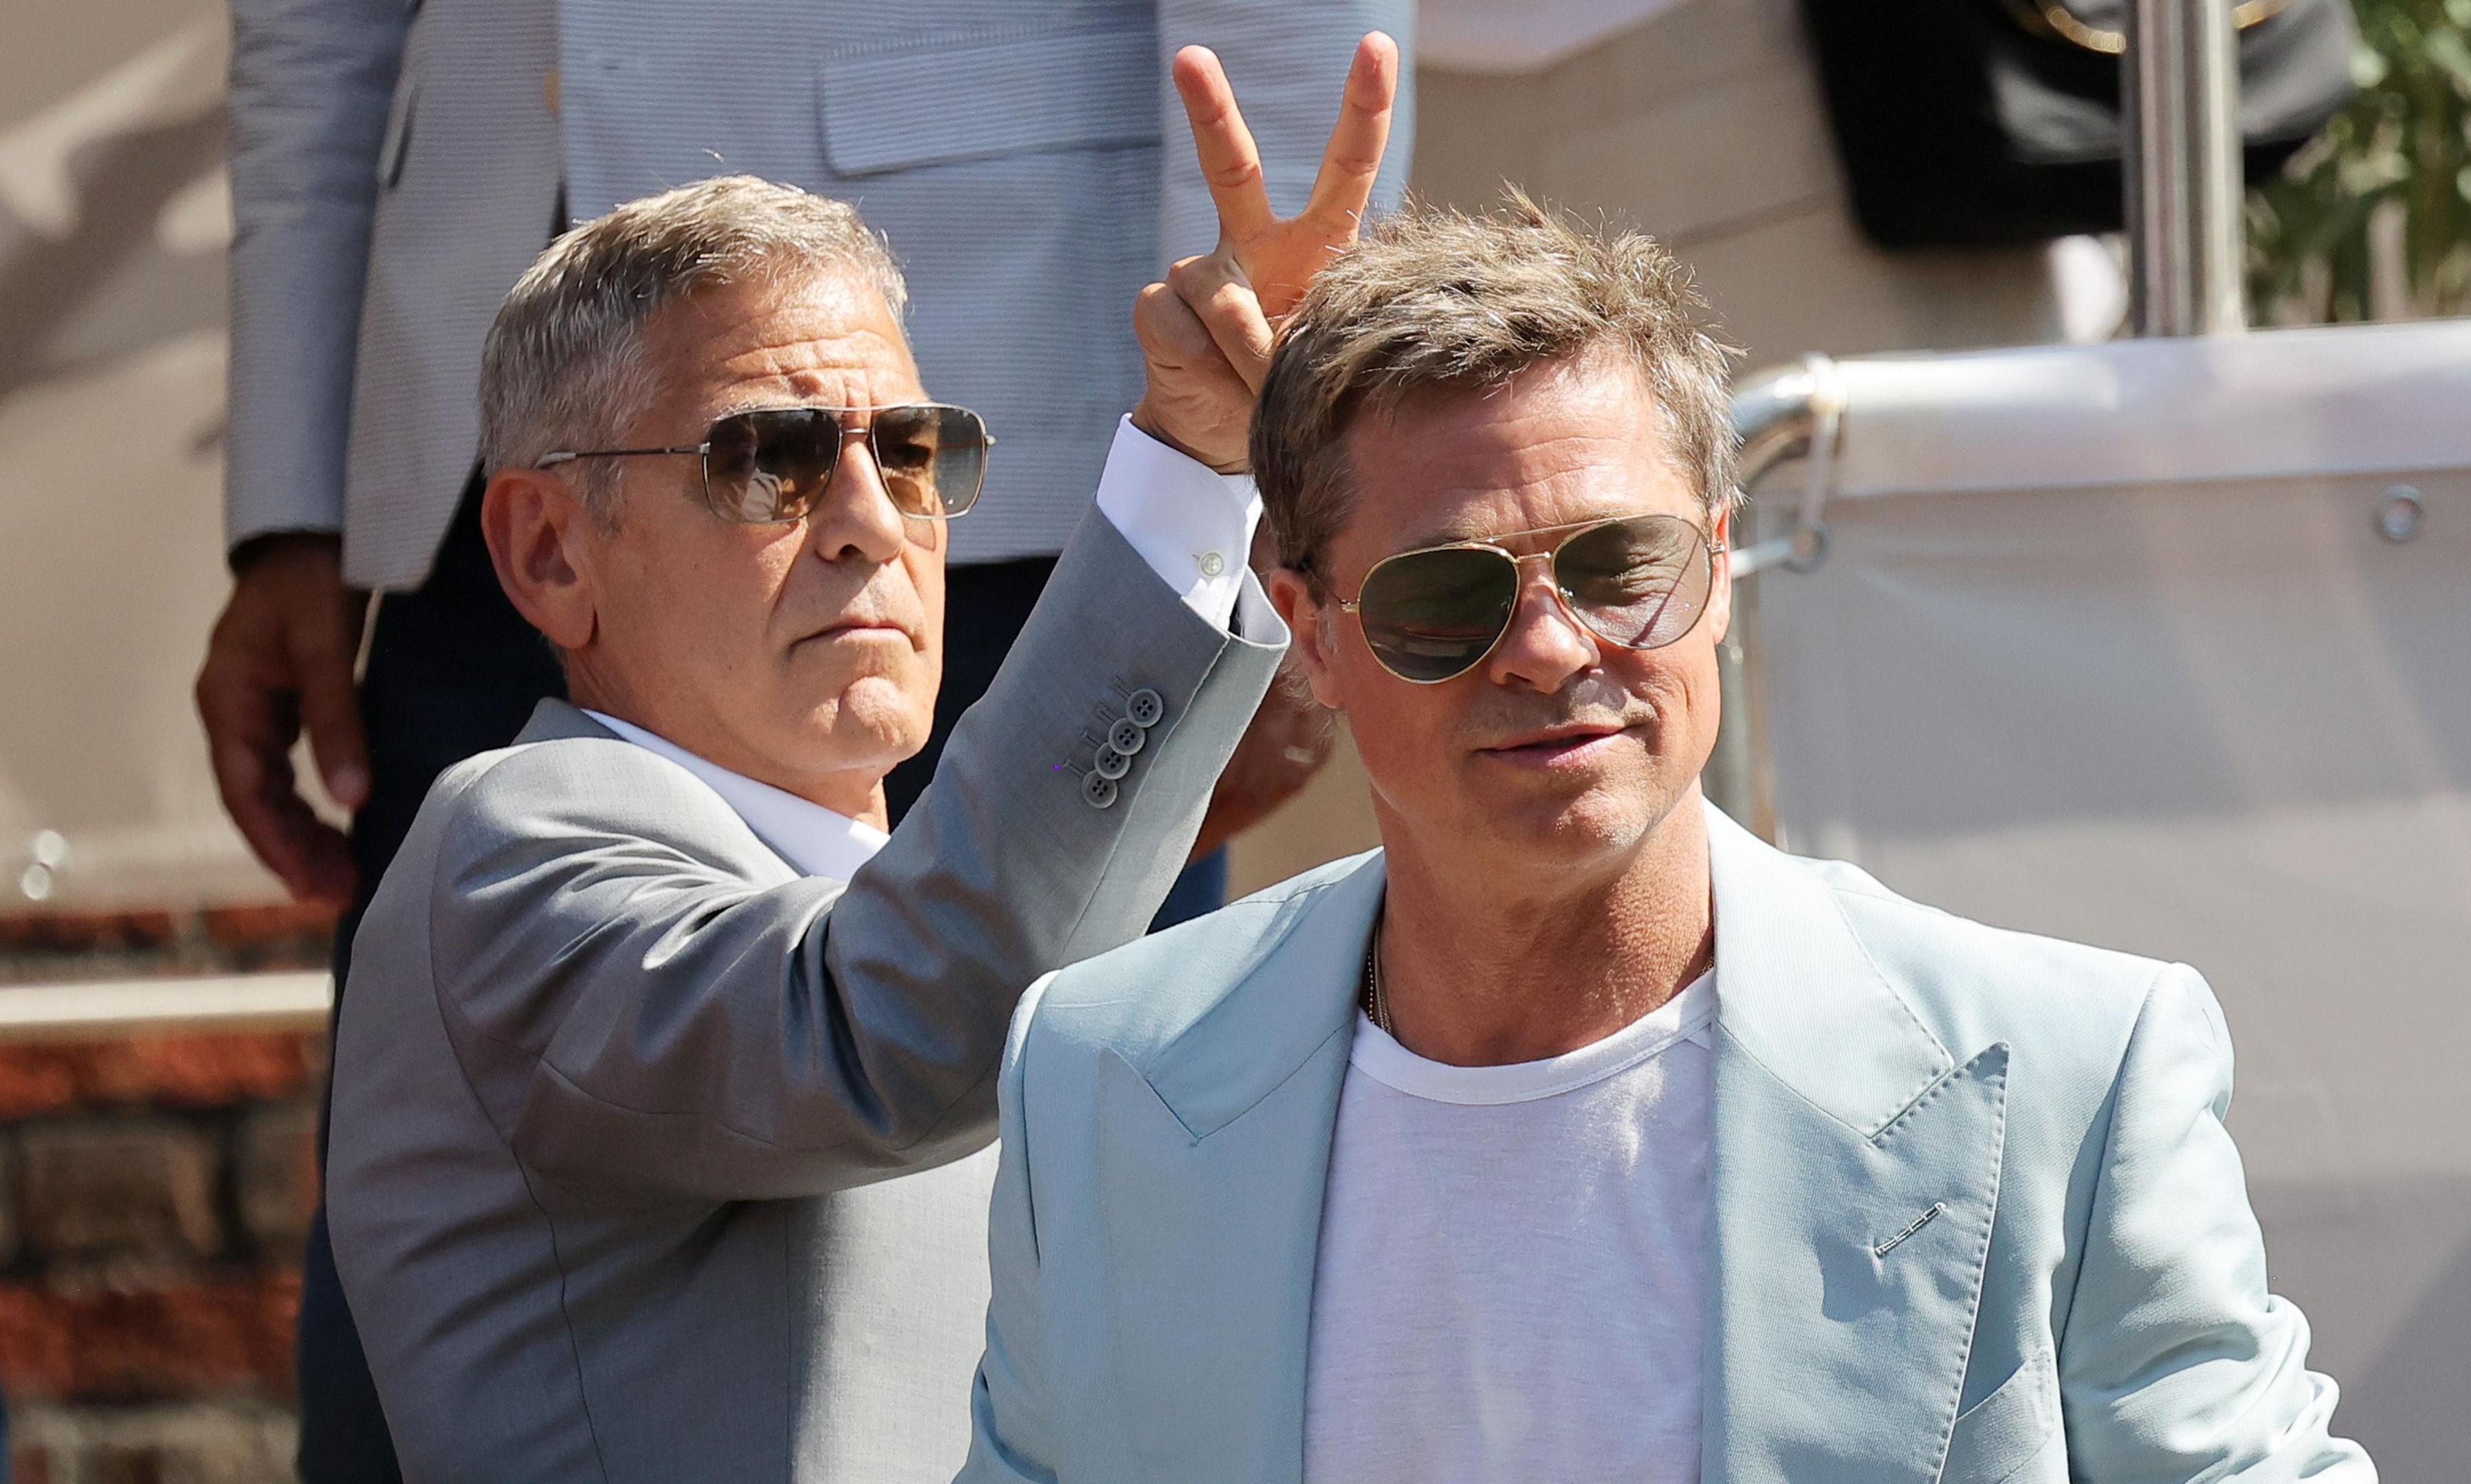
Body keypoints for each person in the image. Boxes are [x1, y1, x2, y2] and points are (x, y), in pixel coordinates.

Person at [958, 195, 2376, 1483]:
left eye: (1619, 564)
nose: (1550, 646)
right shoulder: (1103, 1080)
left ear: (1716, 566)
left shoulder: (2072, 1072)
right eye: (1445, 598)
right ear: (1312, 633)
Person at [202, 4, 1404, 1472]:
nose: (867, 523)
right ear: (553, 555)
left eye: (916, 453)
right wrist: (1188, 498)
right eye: (765, 461)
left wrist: (1263, 482)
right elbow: (884, 1031)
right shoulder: (502, 857)